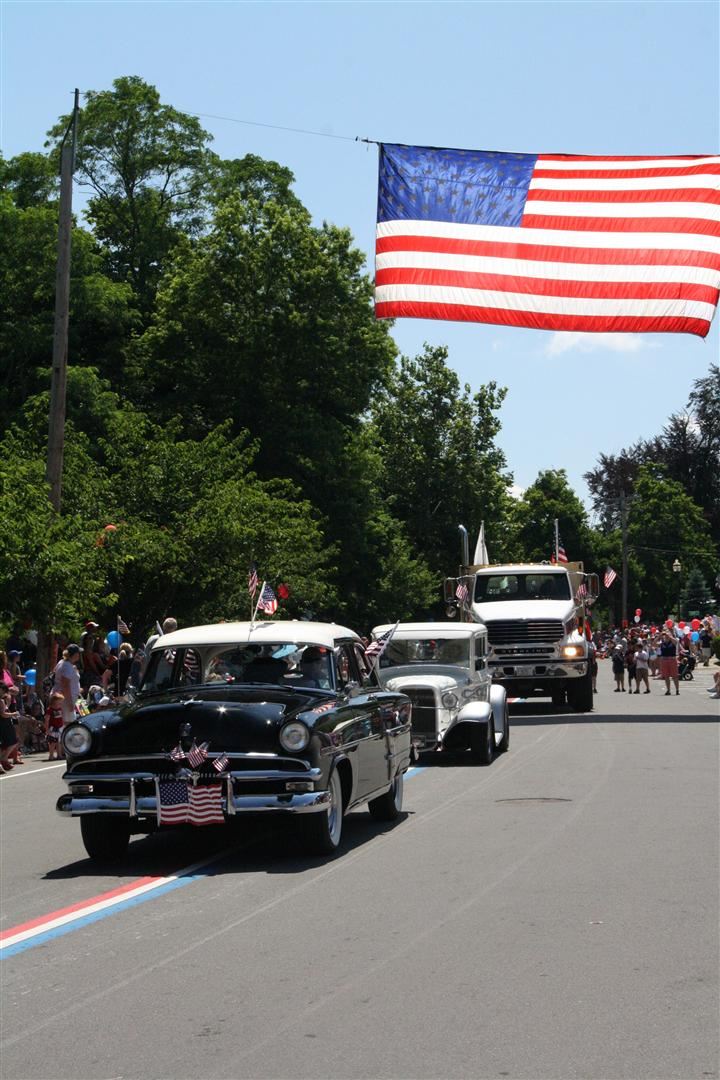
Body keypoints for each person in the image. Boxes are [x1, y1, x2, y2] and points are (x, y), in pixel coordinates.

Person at [54, 644, 82, 725]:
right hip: (65, 700)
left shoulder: (62, 663)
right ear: (75, 654)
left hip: (62, 697)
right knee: (68, 724)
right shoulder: (67, 666)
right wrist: (70, 703)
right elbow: (65, 685)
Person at [44, 691, 66, 760]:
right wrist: (47, 729)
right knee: (52, 742)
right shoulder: (50, 710)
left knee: (58, 742)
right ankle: (51, 755)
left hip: (60, 727)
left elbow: (61, 717)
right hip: (52, 728)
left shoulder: (60, 709)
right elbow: (47, 720)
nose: (60, 704)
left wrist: (63, 724)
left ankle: (59, 755)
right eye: (59, 703)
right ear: (54, 702)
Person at [659, 630, 680, 696]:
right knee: (666, 676)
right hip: (664, 660)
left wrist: (669, 636)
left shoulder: (672, 642)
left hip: (672, 660)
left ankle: (677, 690)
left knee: (674, 676)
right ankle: (668, 690)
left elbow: (676, 642)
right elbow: (653, 644)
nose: (666, 636)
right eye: (665, 636)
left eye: (667, 635)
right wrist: (659, 636)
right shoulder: (662, 643)